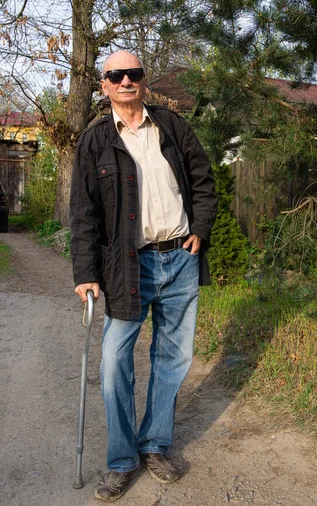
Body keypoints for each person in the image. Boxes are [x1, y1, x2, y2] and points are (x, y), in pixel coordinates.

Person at [70, 50, 217, 502]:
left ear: (144, 80)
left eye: (133, 73)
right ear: (105, 84)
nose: (126, 81)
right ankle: (121, 460)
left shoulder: (172, 127)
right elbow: (84, 213)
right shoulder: (95, 141)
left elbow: (203, 180)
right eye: (117, 75)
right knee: (114, 365)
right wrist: (85, 272)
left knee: (172, 359)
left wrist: (201, 231)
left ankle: (154, 445)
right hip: (127, 267)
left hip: (180, 259)